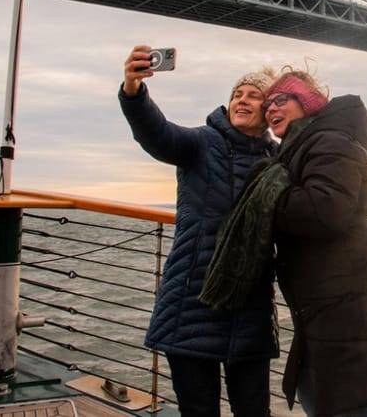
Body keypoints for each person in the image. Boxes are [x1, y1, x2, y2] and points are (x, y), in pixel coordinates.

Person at [261, 67, 367, 416]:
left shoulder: (330, 140)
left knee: (345, 398)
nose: (271, 109)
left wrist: (269, 191)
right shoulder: (305, 144)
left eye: (281, 100)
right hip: (329, 300)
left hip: (343, 302)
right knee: (329, 394)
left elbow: (326, 211)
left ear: (306, 101)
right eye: (267, 104)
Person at [119, 44, 277, 417]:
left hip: (249, 311)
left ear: (269, 111)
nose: (242, 100)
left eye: (254, 96)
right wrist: (133, 90)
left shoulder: (277, 161)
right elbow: (156, 134)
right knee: (198, 411)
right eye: (237, 94)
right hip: (192, 306)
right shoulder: (200, 143)